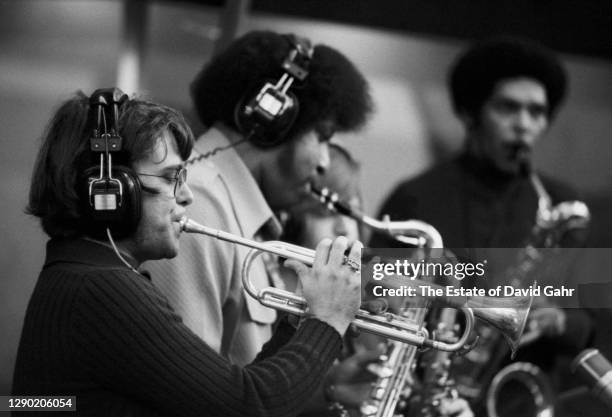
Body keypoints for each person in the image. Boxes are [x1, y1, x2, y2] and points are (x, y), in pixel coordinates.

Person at [13, 89, 363, 417]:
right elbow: (251, 404)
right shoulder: (103, 289)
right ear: (111, 192)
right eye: (170, 179)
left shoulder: (88, 274)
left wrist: (301, 320)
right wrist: (328, 320)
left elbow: (238, 394)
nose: (187, 196)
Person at [370, 37, 592, 409]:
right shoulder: (415, 197)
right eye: (508, 108)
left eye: (537, 112)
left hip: (516, 401)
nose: (524, 126)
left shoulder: (562, 207)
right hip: (419, 398)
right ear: (472, 112)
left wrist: (558, 320)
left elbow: (592, 319)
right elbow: (373, 294)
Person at [143, 30, 373, 366]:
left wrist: (325, 393)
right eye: (321, 137)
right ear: (273, 120)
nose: (325, 161)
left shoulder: (236, 211)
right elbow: (193, 390)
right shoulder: (199, 205)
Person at [283, 143, 474, 417]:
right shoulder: (278, 295)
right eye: (324, 214)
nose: (342, 227)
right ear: (291, 220)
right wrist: (327, 393)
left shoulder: (371, 303)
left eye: (351, 211)